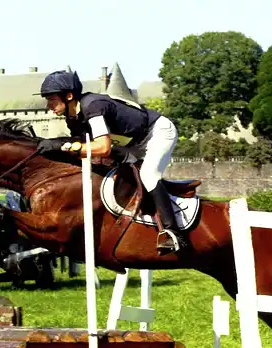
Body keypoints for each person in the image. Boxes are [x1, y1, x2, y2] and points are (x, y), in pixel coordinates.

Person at [34, 70, 188, 255]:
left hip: (157, 132)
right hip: (132, 144)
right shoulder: (73, 118)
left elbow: (102, 148)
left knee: (148, 174)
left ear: (68, 96)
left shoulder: (93, 106)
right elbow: (84, 146)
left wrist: (64, 146)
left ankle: (174, 233)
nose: (48, 105)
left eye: (51, 99)